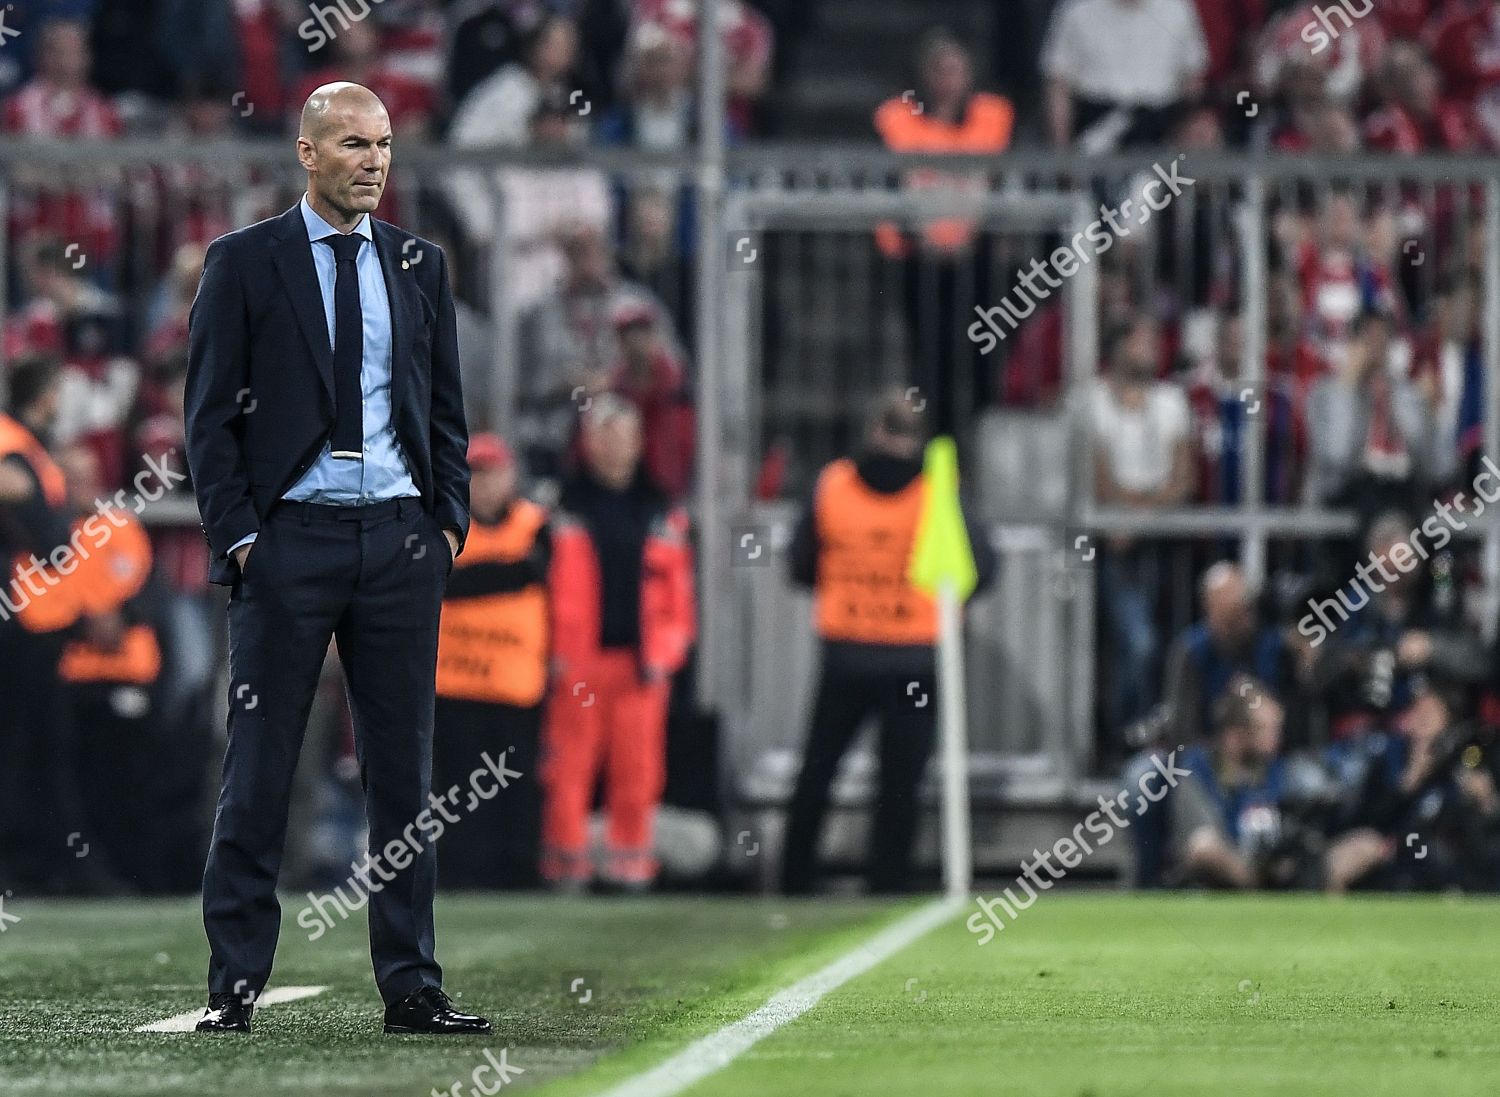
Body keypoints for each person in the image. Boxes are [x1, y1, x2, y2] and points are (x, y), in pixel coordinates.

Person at [184, 82, 487, 1036]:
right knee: (261, 769)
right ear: (307, 154)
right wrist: (243, 539)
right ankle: (234, 985)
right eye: (354, 143)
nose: (375, 160)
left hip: (399, 542)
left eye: (386, 143)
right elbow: (207, 421)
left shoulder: (419, 264)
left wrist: (445, 527)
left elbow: (444, 411)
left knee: (404, 775)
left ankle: (413, 986)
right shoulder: (241, 263)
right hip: (290, 544)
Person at [779, 389, 996, 895]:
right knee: (898, 785)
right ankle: (886, 885)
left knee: (817, 772)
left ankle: (793, 879)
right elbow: (982, 568)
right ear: (919, 437)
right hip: (916, 655)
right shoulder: (940, 488)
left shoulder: (832, 484)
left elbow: (800, 564)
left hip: (848, 651)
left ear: (873, 429)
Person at [541, 396, 695, 892]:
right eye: (605, 435)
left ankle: (630, 866)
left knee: (639, 768)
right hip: (578, 659)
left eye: (624, 435)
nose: (614, 446)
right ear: (588, 442)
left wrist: (668, 652)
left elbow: (679, 596)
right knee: (569, 765)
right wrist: (552, 653)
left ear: (637, 444)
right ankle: (566, 866)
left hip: (640, 661)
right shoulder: (560, 507)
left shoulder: (661, 510)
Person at [433, 434, 550, 890]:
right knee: (461, 798)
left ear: (512, 476)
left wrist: (471, 580)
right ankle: (465, 881)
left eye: (492, 473)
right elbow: (440, 582)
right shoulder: (444, 523)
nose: (483, 484)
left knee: (517, 797)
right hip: (457, 685)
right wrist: (514, 573)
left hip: (516, 687)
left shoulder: (536, 525)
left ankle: (519, 880)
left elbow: (546, 574)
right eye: (475, 474)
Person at [0, 355, 90, 894]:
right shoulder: (12, 438)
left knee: (37, 744)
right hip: (22, 610)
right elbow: (37, 522)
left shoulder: (26, 440)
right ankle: (22, 862)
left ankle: (40, 861)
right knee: (22, 744)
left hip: (39, 612)